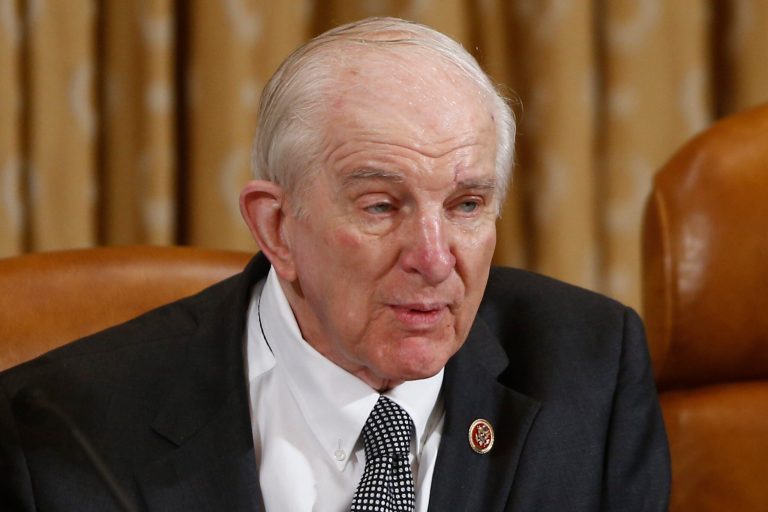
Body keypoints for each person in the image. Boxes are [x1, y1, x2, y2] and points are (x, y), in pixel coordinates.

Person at [0, 17, 669, 512]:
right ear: (277, 226)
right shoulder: (59, 429)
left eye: (467, 204)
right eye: (381, 206)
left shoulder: (590, 370)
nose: (435, 259)